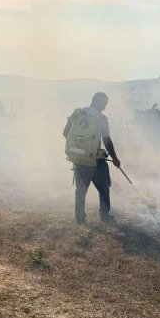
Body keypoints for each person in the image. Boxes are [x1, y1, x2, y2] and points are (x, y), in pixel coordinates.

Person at [63, 92, 122, 225]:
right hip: (96, 161)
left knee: (81, 191)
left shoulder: (76, 114)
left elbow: (65, 133)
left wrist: (79, 149)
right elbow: (107, 141)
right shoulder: (102, 119)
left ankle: (79, 217)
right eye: (104, 104)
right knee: (104, 188)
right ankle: (105, 215)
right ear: (99, 102)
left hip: (79, 160)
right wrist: (115, 159)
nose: (105, 108)